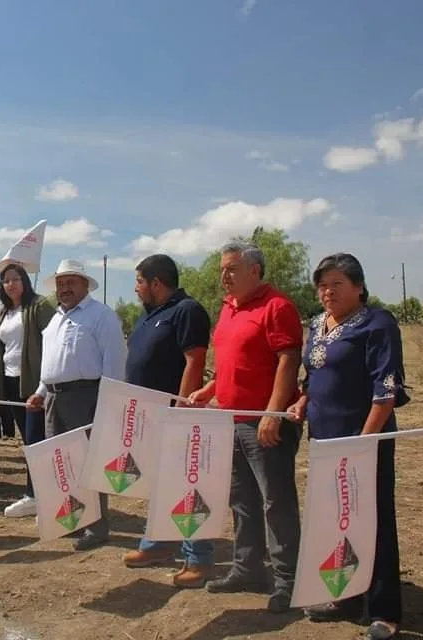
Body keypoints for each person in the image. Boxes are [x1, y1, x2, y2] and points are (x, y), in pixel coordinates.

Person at [288, 253, 407, 640]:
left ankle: (386, 610)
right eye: (322, 284)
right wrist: (302, 402)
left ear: (358, 286)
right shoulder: (317, 323)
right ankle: (347, 596)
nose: (327, 291)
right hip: (324, 442)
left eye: (337, 283)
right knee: (336, 520)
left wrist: (363, 443)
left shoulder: (378, 323)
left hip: (363, 443)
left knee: (373, 520)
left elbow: (386, 390)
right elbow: (313, 376)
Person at [188, 242, 304, 613]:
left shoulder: (277, 306)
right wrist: (210, 390)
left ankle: (289, 580)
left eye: (232, 268)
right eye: (222, 269)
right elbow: (230, 363)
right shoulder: (228, 308)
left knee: (276, 503)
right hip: (230, 421)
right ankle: (247, 568)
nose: (224, 275)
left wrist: (272, 413)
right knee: (242, 502)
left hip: (264, 425)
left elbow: (289, 360)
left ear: (255, 271)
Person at [119, 254, 214, 587]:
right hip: (146, 416)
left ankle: (197, 557)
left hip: (176, 415)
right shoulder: (149, 316)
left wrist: (181, 408)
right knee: (160, 483)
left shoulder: (187, 310)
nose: (135, 289)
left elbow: (194, 360)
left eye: (139, 282)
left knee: (188, 484)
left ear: (156, 283)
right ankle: (158, 544)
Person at [26, 259, 126, 551]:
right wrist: (41, 392)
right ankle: (72, 519)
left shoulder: (101, 316)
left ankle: (96, 526)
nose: (64, 288)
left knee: (87, 463)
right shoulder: (55, 319)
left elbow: (114, 363)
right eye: (60, 283)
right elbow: (52, 363)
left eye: (71, 282)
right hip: (54, 399)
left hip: (87, 396)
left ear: (85, 285)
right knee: (60, 461)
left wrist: (109, 402)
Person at [0, 262, 56, 518]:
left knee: (36, 440)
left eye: (15, 279)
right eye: (6, 280)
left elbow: (54, 343)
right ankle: (40, 493)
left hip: (33, 383)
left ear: (25, 281)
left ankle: (35, 496)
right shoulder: (3, 313)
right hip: (10, 383)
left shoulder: (39, 306)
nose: (10, 284)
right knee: (28, 441)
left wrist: (45, 385)